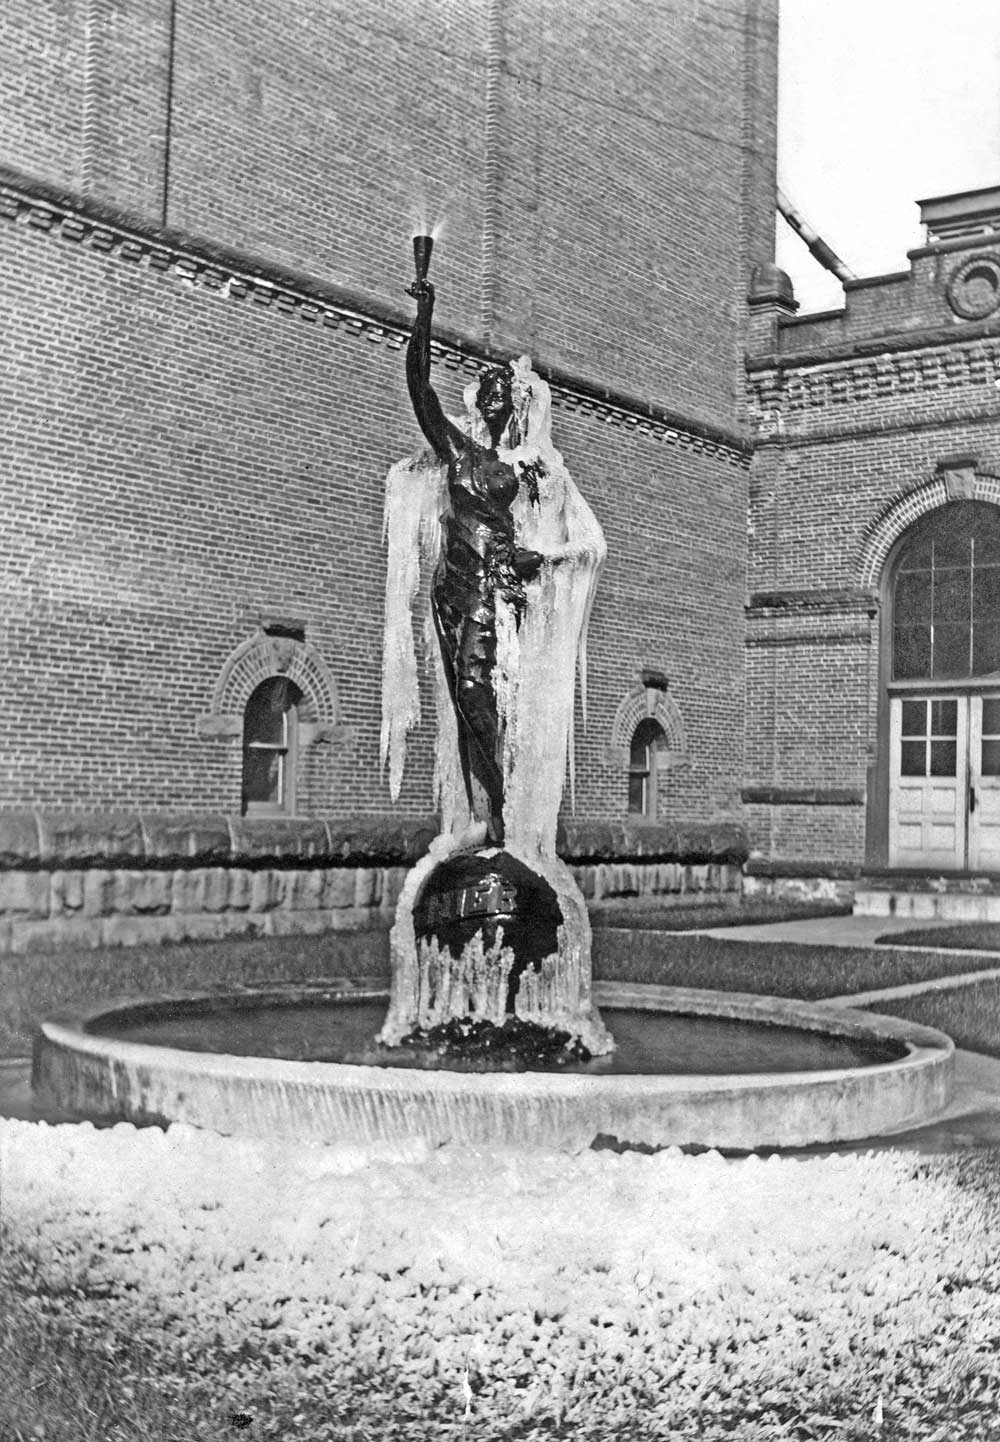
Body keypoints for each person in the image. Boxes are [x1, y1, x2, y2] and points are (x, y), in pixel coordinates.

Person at [404, 275, 543, 844]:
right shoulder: (457, 451)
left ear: (513, 405)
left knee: (477, 689)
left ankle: (504, 805)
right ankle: (487, 809)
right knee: (465, 695)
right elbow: (420, 388)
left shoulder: (524, 468)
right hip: (455, 588)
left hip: (496, 589)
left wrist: (536, 559)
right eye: (486, 391)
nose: (492, 398)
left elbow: (549, 532)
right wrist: (425, 316)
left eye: (502, 393)